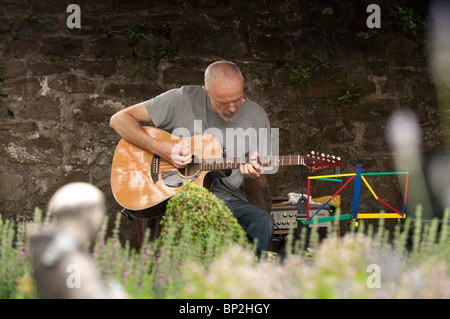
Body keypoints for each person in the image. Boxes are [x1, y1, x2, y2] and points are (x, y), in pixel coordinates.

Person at [110, 61, 274, 256]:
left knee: (263, 221)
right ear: (207, 92)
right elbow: (119, 119)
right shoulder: (181, 99)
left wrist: (253, 176)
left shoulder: (257, 117)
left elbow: (256, 189)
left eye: (237, 99)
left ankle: (248, 279)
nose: (232, 108)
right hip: (179, 196)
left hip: (229, 199)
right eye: (224, 102)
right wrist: (161, 148)